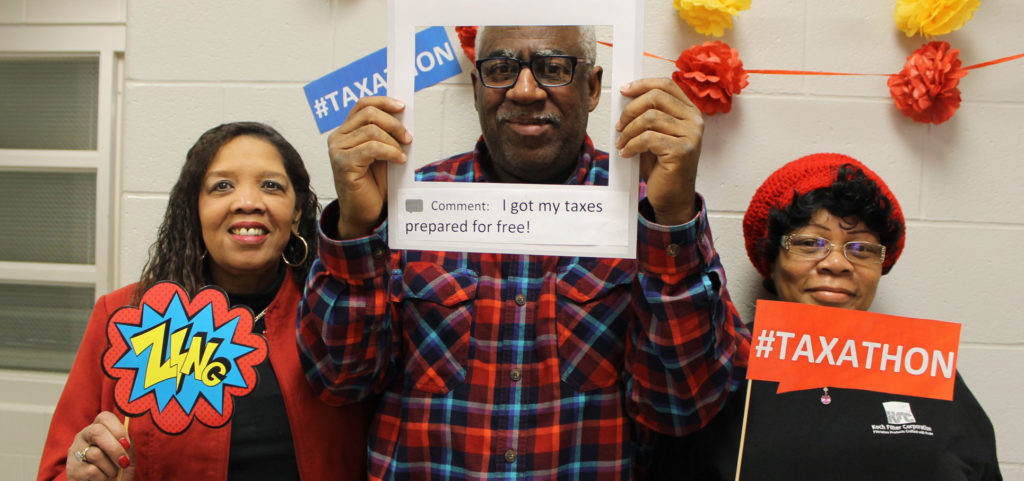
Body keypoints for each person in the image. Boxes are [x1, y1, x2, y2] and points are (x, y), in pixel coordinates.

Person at [296, 25, 751, 480]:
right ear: (477, 89)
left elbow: (685, 404)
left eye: (553, 68)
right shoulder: (410, 205)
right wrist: (356, 229)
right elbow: (339, 380)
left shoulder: (651, 214)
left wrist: (672, 219)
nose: (525, 91)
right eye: (500, 69)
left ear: (593, 88)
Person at [38, 122, 374, 481]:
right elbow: (56, 471)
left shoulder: (340, 314)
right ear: (195, 210)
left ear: (296, 213)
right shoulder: (125, 317)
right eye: (222, 186)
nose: (248, 202)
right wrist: (82, 469)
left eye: (271, 186)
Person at [646, 152, 1002, 480]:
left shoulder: (924, 368)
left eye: (861, 248)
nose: (836, 263)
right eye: (809, 243)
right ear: (772, 260)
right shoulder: (724, 363)